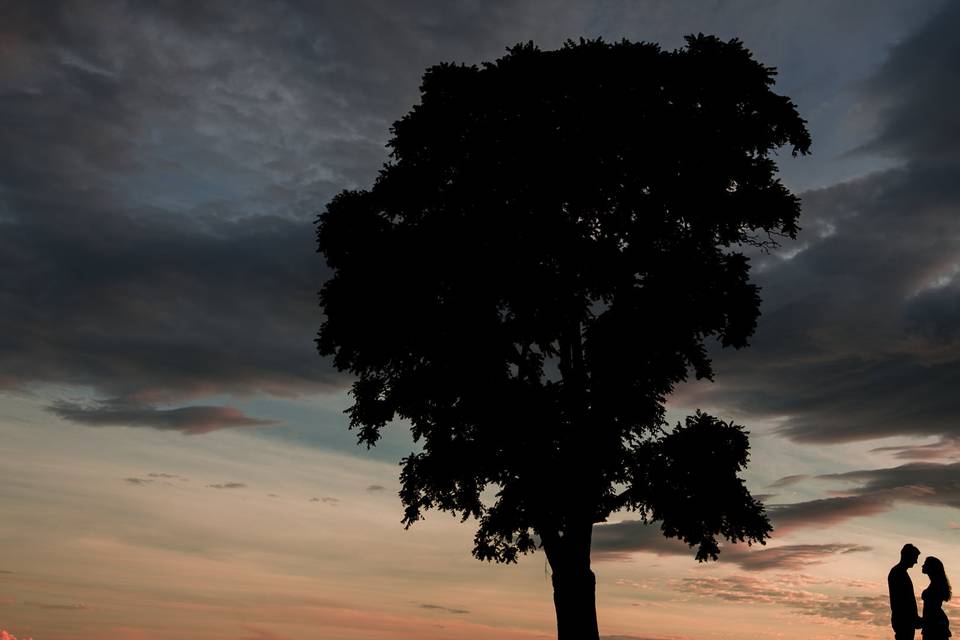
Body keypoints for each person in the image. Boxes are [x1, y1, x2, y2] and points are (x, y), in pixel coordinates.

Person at [890, 543, 923, 640]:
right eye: (915, 558)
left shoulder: (900, 572)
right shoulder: (898, 573)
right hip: (903, 620)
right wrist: (913, 618)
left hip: (904, 619)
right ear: (908, 556)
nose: (916, 562)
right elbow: (902, 600)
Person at [921, 556, 952, 640]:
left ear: (931, 567)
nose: (922, 566)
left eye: (925, 564)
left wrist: (924, 621)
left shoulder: (936, 585)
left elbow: (932, 609)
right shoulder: (936, 584)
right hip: (934, 622)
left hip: (934, 624)